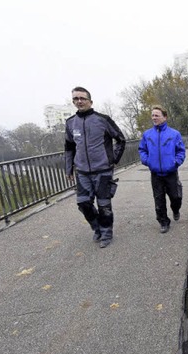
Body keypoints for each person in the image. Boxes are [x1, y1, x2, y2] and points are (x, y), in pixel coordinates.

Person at [64, 86, 126, 248]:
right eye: (76, 99)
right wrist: (68, 168)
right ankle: (97, 227)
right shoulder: (71, 123)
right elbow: (69, 147)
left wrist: (114, 159)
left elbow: (120, 139)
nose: (79, 101)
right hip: (82, 172)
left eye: (82, 98)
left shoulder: (102, 120)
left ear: (90, 101)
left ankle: (106, 233)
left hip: (103, 171)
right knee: (83, 203)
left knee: (104, 205)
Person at [139, 105, 186, 234]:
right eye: (153, 115)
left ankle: (175, 210)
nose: (154, 117)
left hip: (171, 172)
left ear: (164, 117)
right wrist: (147, 161)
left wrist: (176, 162)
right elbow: (142, 149)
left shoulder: (174, 134)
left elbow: (181, 151)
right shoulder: (147, 135)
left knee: (175, 197)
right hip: (155, 173)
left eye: (157, 115)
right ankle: (164, 222)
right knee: (158, 200)